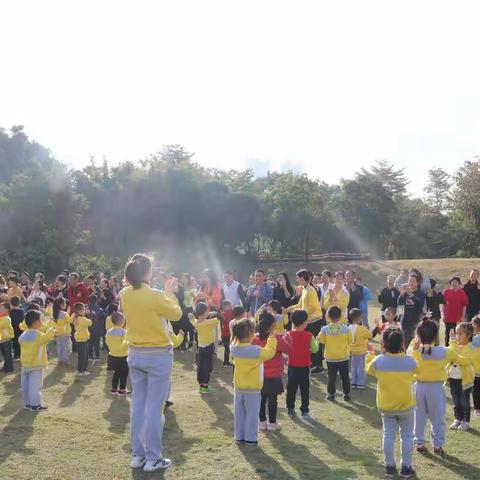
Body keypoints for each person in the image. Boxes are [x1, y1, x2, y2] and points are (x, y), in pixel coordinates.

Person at [119, 254, 182, 472]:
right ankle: (153, 457)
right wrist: (170, 293)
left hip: (135, 353)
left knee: (138, 406)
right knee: (155, 408)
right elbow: (176, 314)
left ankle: (138, 455)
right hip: (157, 355)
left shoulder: (124, 293)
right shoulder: (155, 295)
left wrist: (163, 293)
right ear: (147, 272)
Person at [366, 326, 418, 479]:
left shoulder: (379, 361)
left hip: (386, 406)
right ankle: (406, 468)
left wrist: (369, 355)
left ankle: (389, 466)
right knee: (407, 436)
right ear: (402, 343)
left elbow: (368, 370)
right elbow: (418, 369)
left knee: (388, 435)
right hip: (406, 405)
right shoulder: (410, 361)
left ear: (384, 344)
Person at [409, 317, 460, 455]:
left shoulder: (415, 350)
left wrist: (416, 340)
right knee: (437, 417)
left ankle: (419, 443)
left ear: (419, 335)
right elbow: (454, 352)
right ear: (436, 335)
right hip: (436, 388)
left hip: (418, 387)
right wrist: (453, 340)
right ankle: (437, 445)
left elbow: (411, 352)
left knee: (418, 417)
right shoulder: (443, 351)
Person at [230, 317, 277, 445]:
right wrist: (272, 339)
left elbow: (232, 349)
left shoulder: (234, 349)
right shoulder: (255, 350)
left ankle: (239, 437)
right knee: (252, 415)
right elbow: (269, 353)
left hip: (239, 387)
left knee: (239, 414)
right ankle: (251, 438)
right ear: (251, 333)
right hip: (252, 389)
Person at [252, 312, 291, 431]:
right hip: (273, 374)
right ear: (273, 325)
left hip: (259, 373)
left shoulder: (254, 338)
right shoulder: (275, 338)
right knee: (272, 399)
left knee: (261, 399)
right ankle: (272, 423)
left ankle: (262, 422)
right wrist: (283, 337)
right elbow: (288, 349)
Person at [285, 269, 323, 374]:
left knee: (314, 342)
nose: (296, 279)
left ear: (302, 278)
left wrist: (300, 313)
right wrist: (289, 309)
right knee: (309, 342)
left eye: (298, 277)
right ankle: (313, 363)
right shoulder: (305, 289)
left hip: (314, 320)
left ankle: (318, 366)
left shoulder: (311, 290)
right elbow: (299, 305)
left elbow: (313, 307)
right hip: (307, 319)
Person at [284, 310, 319, 417]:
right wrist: (317, 341)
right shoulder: (309, 335)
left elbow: (285, 349)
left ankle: (290, 408)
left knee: (291, 388)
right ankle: (304, 410)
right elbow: (315, 350)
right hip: (304, 367)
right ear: (305, 322)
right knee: (305, 389)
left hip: (292, 366)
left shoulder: (288, 334)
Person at [19, 309, 55, 411]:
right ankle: (35, 405)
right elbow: (47, 338)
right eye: (41, 320)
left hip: (25, 365)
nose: (42, 322)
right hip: (36, 365)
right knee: (35, 386)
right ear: (36, 323)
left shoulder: (23, 335)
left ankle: (27, 404)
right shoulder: (38, 335)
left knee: (25, 386)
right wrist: (51, 329)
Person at [318, 306, 353, 401]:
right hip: (343, 357)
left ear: (328, 316)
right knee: (345, 376)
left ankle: (330, 394)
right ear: (341, 316)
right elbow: (351, 340)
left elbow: (321, 340)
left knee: (331, 377)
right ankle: (346, 393)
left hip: (330, 358)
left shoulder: (325, 329)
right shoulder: (346, 329)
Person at [448, 322, 476, 431]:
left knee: (464, 401)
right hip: (454, 379)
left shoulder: (471, 348)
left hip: (465, 381)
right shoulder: (455, 346)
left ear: (468, 335)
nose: (457, 336)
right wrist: (452, 343)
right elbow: (449, 355)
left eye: (460, 334)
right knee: (456, 401)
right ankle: (457, 418)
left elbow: (463, 361)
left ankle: (465, 421)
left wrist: (453, 354)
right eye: (456, 333)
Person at [188, 302, 220, 393]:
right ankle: (205, 387)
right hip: (209, 347)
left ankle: (202, 386)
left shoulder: (195, 322)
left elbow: (190, 315)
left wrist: (200, 314)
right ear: (205, 311)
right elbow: (221, 318)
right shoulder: (209, 322)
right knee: (208, 367)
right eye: (207, 310)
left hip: (201, 347)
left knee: (201, 366)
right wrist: (214, 313)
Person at [398, 271, 426, 349]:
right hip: (405, 323)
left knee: (414, 347)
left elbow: (419, 305)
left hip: (415, 323)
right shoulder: (406, 292)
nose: (410, 283)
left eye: (413, 281)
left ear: (418, 282)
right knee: (404, 346)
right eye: (409, 281)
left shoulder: (421, 293)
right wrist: (401, 294)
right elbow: (399, 303)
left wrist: (411, 294)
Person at [106, 311, 130, 396]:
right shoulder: (123, 332)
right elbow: (125, 344)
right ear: (121, 322)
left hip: (112, 355)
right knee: (124, 373)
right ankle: (122, 390)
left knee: (116, 373)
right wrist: (128, 343)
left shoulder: (109, 331)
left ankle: (114, 389)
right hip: (122, 356)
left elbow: (107, 341)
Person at [348, 308, 373, 389]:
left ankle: (353, 382)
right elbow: (370, 335)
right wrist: (366, 328)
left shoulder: (349, 328)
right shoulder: (362, 329)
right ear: (359, 318)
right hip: (361, 351)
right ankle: (360, 383)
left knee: (353, 367)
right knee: (361, 368)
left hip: (352, 351)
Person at [443, 277, 468, 347]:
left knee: (458, 335)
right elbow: (444, 304)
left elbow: (464, 306)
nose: (454, 284)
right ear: (450, 284)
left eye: (456, 283)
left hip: (458, 319)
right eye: (453, 283)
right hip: (448, 318)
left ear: (459, 284)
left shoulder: (462, 293)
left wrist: (462, 317)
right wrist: (444, 315)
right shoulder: (446, 291)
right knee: (447, 335)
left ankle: (457, 350)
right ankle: (447, 349)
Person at [72, 302, 92, 376]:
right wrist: (88, 315)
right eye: (84, 309)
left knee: (83, 356)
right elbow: (90, 323)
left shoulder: (76, 317)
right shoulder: (81, 319)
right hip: (82, 339)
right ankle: (81, 371)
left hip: (81, 339)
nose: (85, 310)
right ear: (79, 311)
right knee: (83, 357)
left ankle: (82, 370)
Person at [52, 297, 72, 365]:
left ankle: (60, 360)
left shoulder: (55, 313)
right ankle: (65, 360)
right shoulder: (64, 314)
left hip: (58, 333)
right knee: (66, 347)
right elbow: (69, 320)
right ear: (61, 305)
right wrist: (72, 314)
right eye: (65, 303)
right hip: (65, 333)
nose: (65, 305)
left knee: (59, 347)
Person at [86, 294, 105, 361]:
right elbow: (103, 317)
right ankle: (97, 356)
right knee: (97, 343)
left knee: (89, 343)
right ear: (97, 301)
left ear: (89, 300)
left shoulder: (86, 308)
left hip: (88, 329)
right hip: (97, 329)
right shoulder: (100, 309)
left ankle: (90, 356)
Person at [0, 302, 14, 373]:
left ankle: (9, 368)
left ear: (6, 310)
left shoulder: (6, 318)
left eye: (1, 308)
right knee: (5, 354)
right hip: (2, 339)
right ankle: (6, 366)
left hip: (6, 339)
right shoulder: (2, 317)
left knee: (7, 354)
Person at [220, 300, 234, 367]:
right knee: (228, 348)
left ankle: (227, 361)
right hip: (227, 334)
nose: (231, 307)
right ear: (225, 306)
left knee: (228, 348)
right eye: (229, 305)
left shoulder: (224, 313)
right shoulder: (226, 313)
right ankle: (226, 361)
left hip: (226, 333)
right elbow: (228, 320)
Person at [472, 317, 480, 416]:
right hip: (476, 369)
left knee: (476, 389)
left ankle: (477, 408)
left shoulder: (474, 339)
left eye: (473, 325)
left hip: (476, 370)